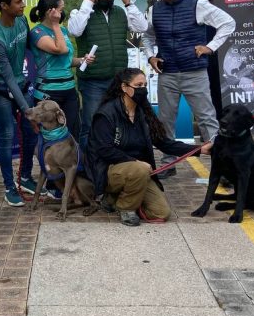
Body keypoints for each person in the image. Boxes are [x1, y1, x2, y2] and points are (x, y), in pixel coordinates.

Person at [141, 0, 235, 178]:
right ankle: (168, 163)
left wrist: (210, 47)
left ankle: (223, 168)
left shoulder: (198, 5)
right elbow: (147, 37)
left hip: (195, 73)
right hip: (168, 74)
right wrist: (150, 56)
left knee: (207, 120)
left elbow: (228, 23)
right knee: (165, 121)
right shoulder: (155, 10)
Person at [86, 68, 211, 226]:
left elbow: (164, 143)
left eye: (145, 85)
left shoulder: (143, 112)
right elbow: (104, 150)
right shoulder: (106, 114)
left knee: (161, 213)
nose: (143, 89)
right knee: (140, 170)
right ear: (124, 87)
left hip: (139, 172)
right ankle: (125, 207)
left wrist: (199, 149)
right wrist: (135, 162)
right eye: (138, 85)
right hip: (110, 170)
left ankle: (117, 197)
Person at [68, 0, 148, 149]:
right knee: (91, 123)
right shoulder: (80, 12)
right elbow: (75, 30)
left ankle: (113, 162)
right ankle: (86, 167)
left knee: (119, 122)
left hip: (119, 80)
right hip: (92, 81)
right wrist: (87, 4)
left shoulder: (120, 12)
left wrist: (128, 3)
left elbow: (142, 27)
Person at [0, 0, 38, 205]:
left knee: (31, 133)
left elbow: (30, 50)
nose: (23, 5)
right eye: (18, 2)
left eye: (23, 0)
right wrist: (28, 111)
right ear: (4, 6)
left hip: (20, 85)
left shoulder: (22, 20)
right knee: (7, 137)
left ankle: (25, 177)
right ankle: (9, 187)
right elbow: (6, 76)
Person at [29, 0, 83, 197]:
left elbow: (66, 59)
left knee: (72, 136)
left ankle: (74, 182)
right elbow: (59, 50)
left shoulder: (62, 30)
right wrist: (55, 25)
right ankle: (53, 185)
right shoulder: (38, 33)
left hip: (68, 89)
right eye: (60, 9)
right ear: (50, 11)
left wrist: (81, 60)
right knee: (50, 141)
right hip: (48, 94)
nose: (63, 12)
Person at [199, 0, 223, 119]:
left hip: (219, 59)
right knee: (204, 96)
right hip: (201, 59)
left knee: (219, 93)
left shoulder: (222, 10)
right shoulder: (195, 7)